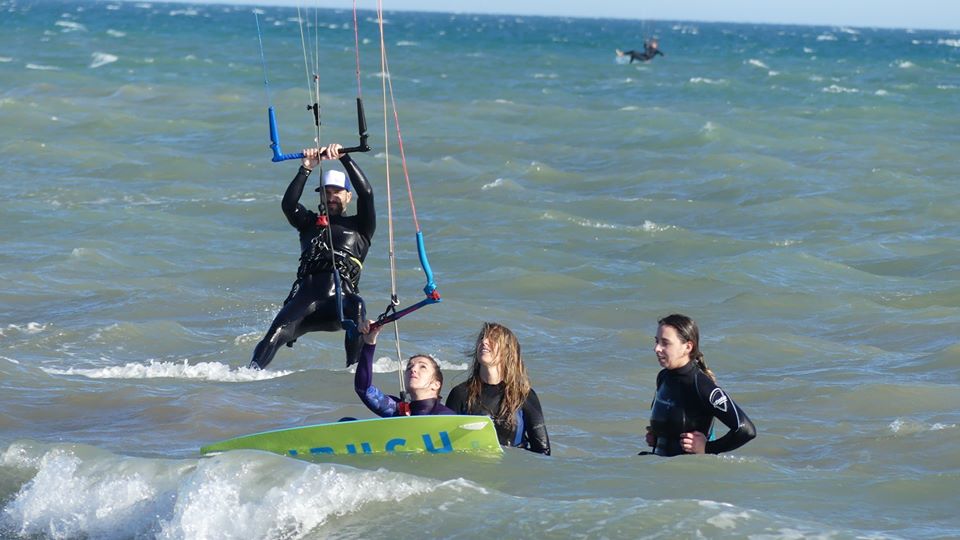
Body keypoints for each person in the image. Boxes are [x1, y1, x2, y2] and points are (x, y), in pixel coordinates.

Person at [249, 144, 375, 370]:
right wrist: (305, 168)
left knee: (357, 306)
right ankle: (249, 374)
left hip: (340, 303)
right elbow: (288, 205)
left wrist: (344, 158)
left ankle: (354, 371)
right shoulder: (308, 223)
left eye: (337, 192)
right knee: (274, 332)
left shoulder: (360, 227)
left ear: (348, 196)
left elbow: (366, 193)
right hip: (306, 300)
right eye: (326, 192)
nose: (331, 197)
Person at [644, 314, 756, 456]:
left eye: (665, 343)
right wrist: (658, 436)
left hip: (686, 473)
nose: (657, 348)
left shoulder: (701, 385)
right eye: (657, 341)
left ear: (688, 347)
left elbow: (746, 430)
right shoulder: (663, 377)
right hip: (660, 469)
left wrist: (707, 448)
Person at [445, 322, 551, 455]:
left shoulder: (524, 395)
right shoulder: (460, 393)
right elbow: (446, 443)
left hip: (511, 469)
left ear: (507, 351)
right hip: (473, 468)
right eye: (482, 337)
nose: (484, 341)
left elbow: (543, 451)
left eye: (493, 338)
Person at [354, 320, 454, 416]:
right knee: (347, 421)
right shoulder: (396, 410)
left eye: (422, 367)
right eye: (409, 367)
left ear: (436, 384)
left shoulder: (447, 416)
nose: (413, 370)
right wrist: (369, 343)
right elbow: (363, 389)